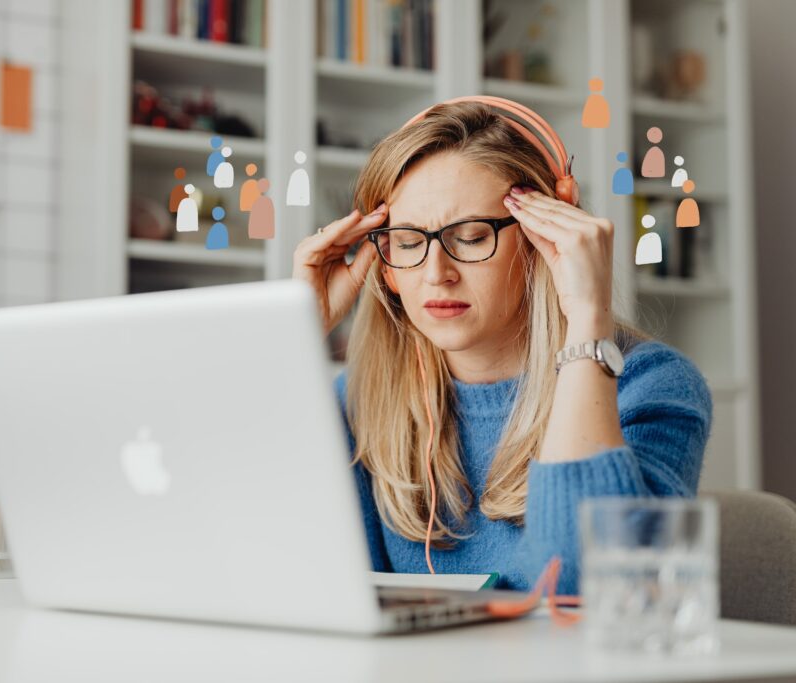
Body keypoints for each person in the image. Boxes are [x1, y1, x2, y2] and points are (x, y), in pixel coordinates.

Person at [291, 100, 712, 595]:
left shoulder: (651, 387)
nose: (436, 273)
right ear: (383, 262)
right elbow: (290, 571)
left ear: (544, 238)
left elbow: (584, 587)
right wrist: (295, 336)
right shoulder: (359, 401)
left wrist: (586, 322)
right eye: (407, 243)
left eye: (470, 237)